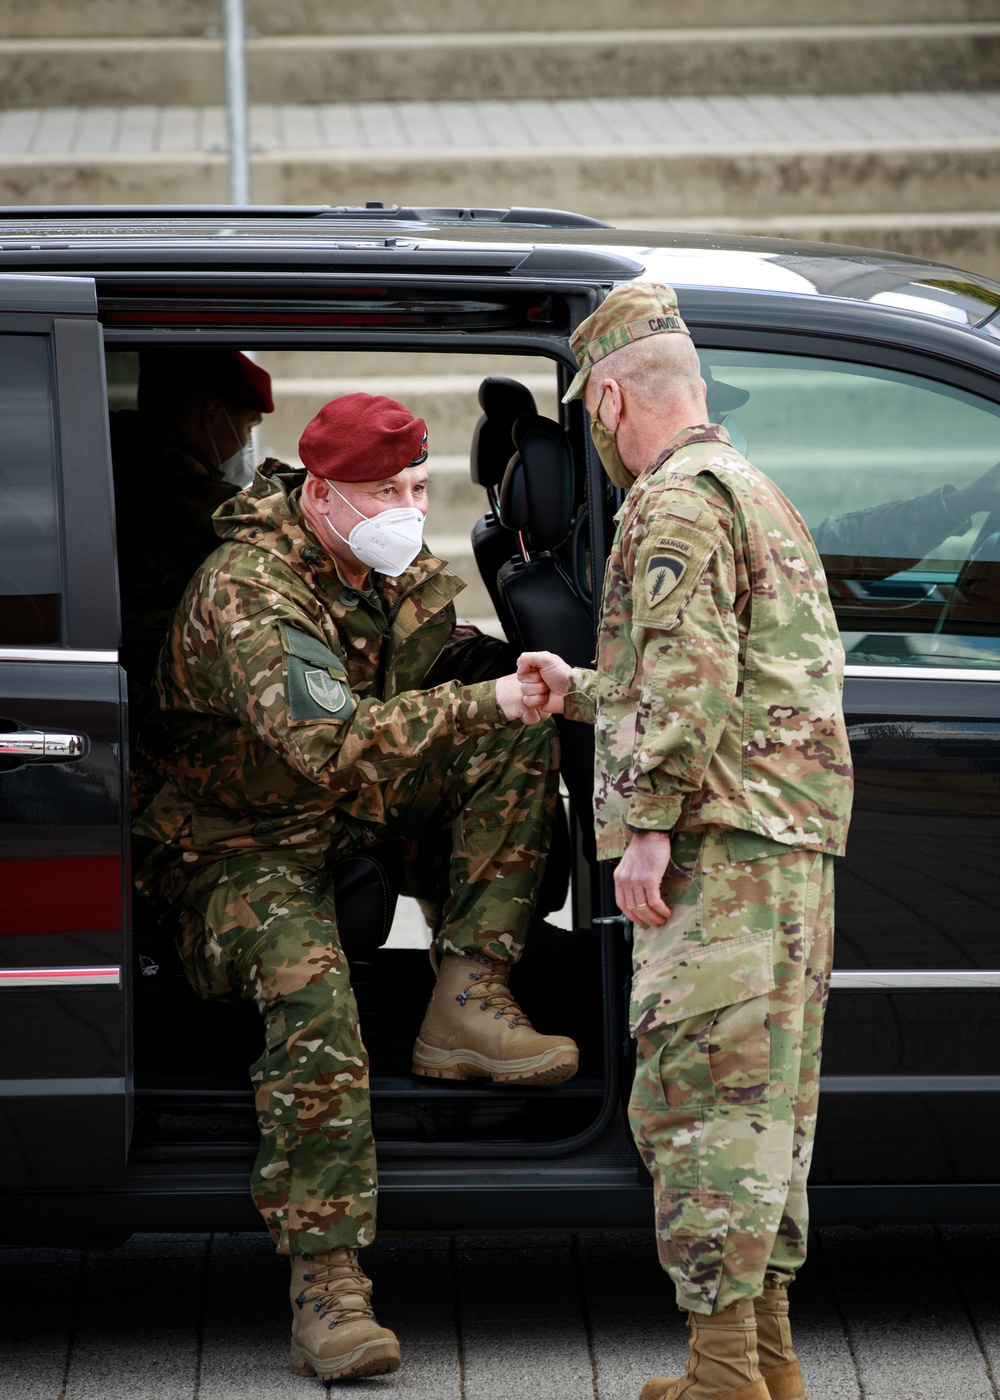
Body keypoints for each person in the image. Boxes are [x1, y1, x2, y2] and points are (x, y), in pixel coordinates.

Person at [131, 392, 578, 1383]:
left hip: (336, 809)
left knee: (510, 728)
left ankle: (466, 997)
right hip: (231, 847)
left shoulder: (381, 557)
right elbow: (330, 741)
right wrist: (479, 699)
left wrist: (507, 674)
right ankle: (326, 1284)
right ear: (321, 493)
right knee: (314, 992)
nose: (409, 508)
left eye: (418, 486)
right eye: (386, 491)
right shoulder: (249, 587)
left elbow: (421, 673)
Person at [517, 283, 854, 1400]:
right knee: (766, 1111)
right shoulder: (752, 490)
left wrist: (646, 830)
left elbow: (692, 685)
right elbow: (704, 677)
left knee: (700, 1103)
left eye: (591, 412)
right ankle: (765, 1362)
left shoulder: (670, 506)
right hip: (786, 854)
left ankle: (721, 1374)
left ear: (610, 395)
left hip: (721, 852)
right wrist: (578, 691)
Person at [111, 348, 274, 729]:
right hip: (151, 703)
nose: (246, 444)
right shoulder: (196, 501)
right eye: (247, 429)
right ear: (213, 415)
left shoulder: (111, 455)